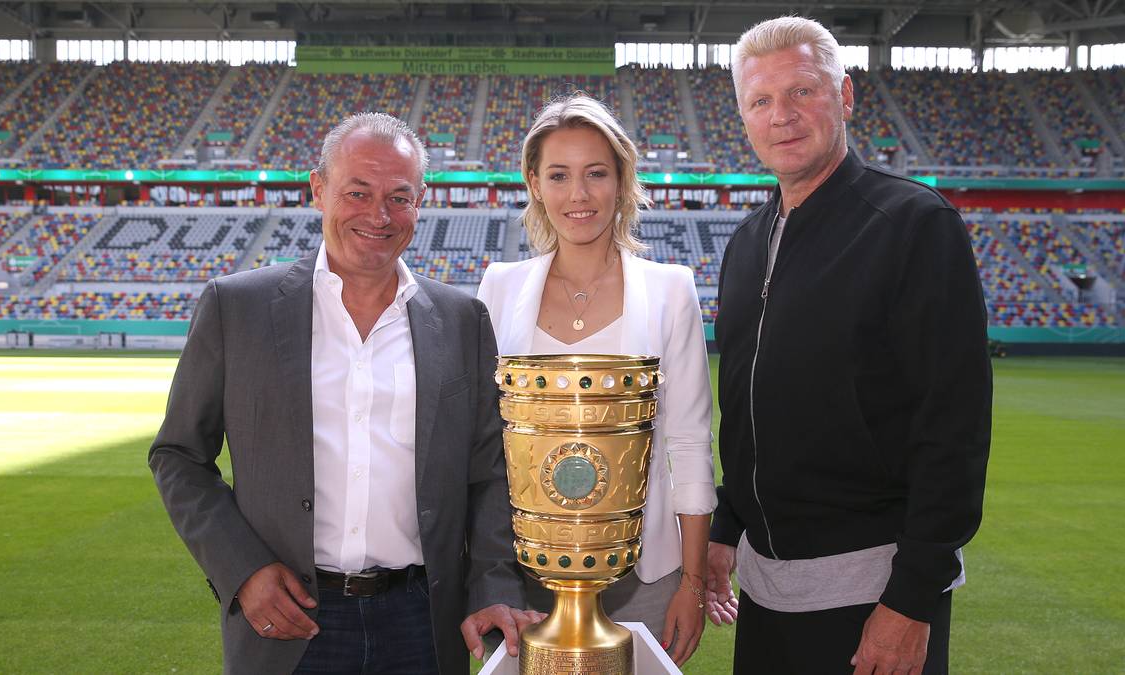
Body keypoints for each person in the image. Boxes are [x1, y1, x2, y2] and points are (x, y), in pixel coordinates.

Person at [149, 112, 538, 675]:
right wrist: (242, 569)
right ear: (318, 189)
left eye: (398, 198)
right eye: (357, 192)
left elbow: (490, 472)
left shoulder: (462, 319)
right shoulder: (237, 307)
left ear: (420, 202)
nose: (378, 216)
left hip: (422, 621)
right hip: (290, 621)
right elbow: (179, 455)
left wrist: (493, 584)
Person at [705, 16, 992, 675]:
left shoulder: (914, 224)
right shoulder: (745, 243)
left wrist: (912, 598)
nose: (781, 115)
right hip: (766, 589)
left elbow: (954, 428)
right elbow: (747, 410)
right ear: (743, 116)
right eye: (760, 100)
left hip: (874, 592)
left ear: (845, 95)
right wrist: (726, 527)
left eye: (802, 91)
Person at [476, 94, 725, 667]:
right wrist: (486, 577)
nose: (578, 195)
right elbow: (485, 450)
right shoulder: (499, 288)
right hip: (524, 578)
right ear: (534, 183)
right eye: (558, 175)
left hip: (647, 576)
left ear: (621, 181)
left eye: (595, 173)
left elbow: (690, 445)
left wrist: (692, 583)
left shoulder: (671, 289)